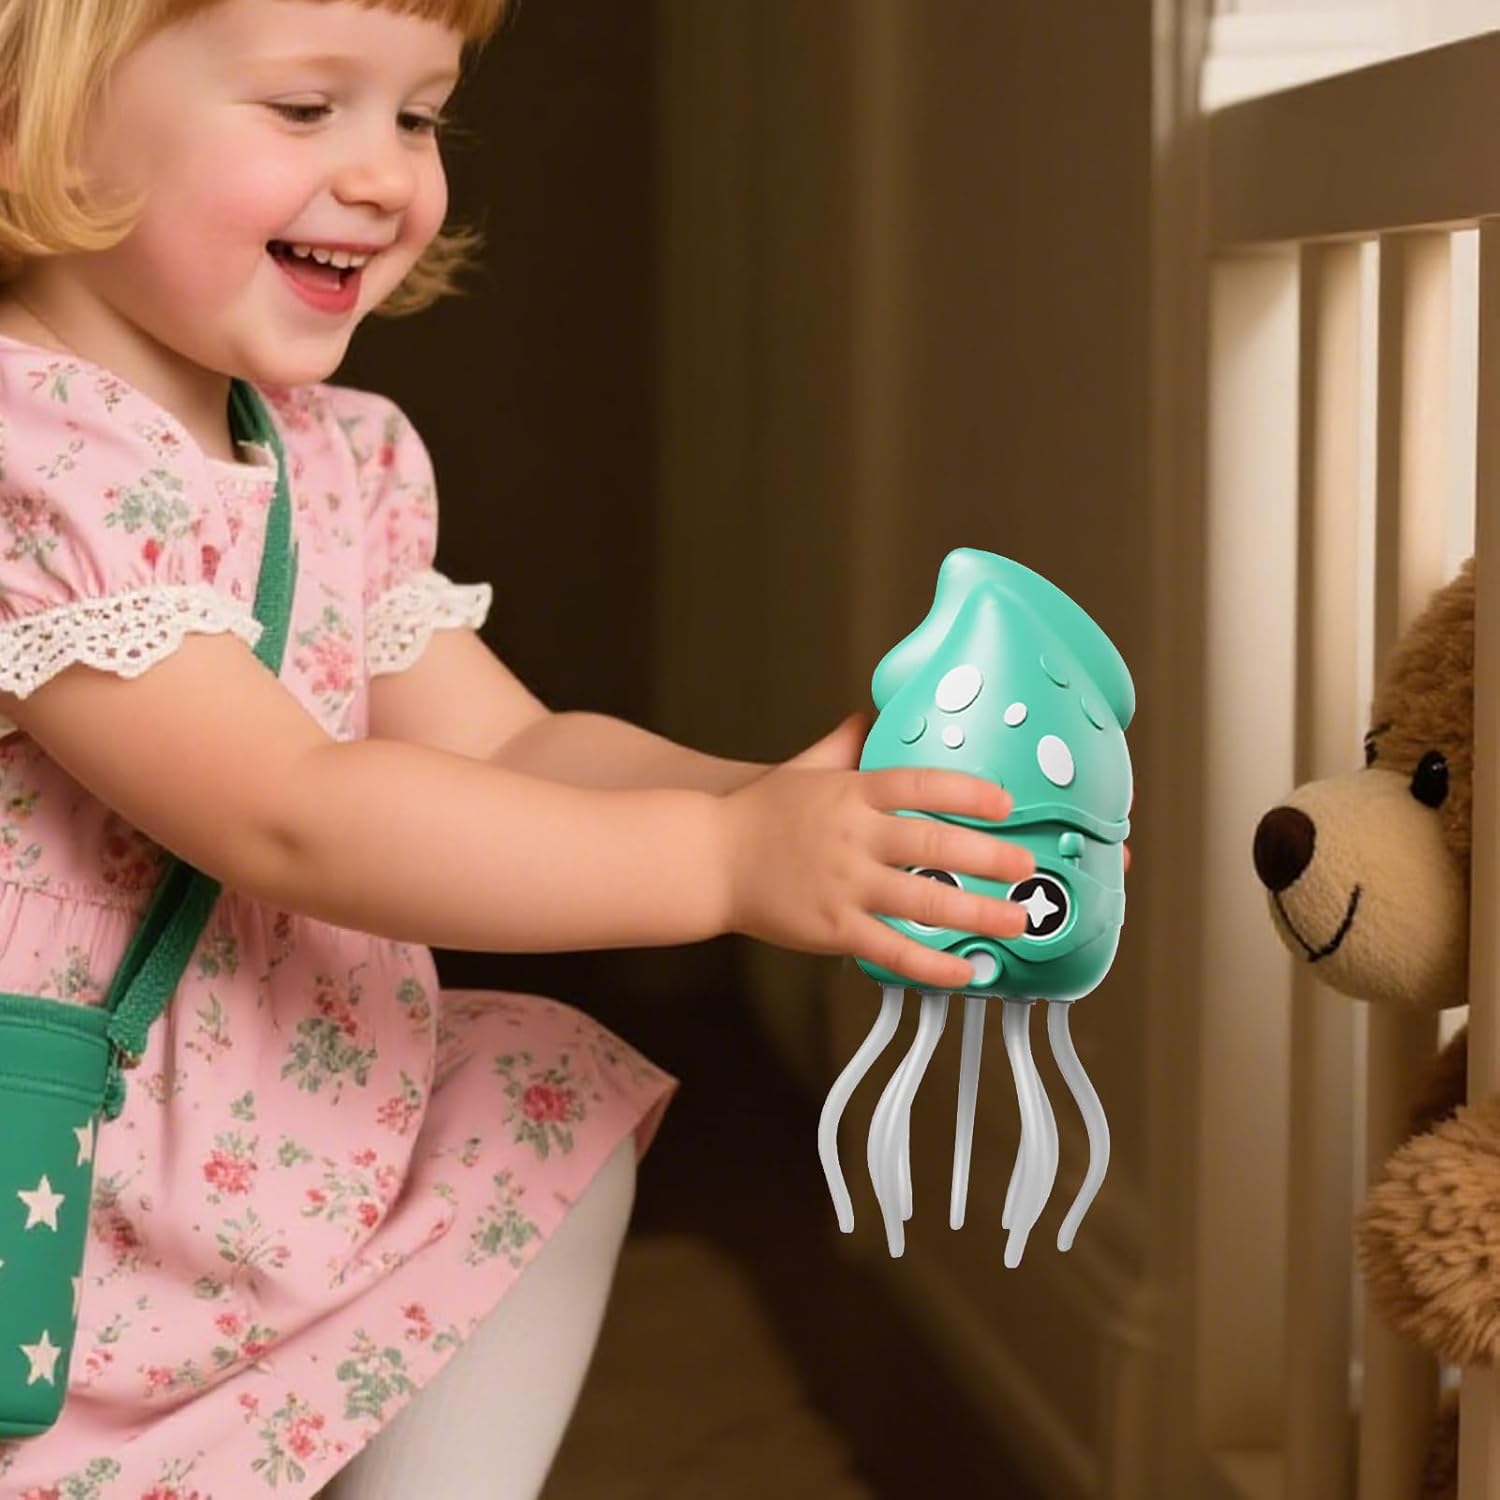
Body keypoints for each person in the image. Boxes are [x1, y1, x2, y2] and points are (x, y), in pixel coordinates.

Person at [0, 1, 1036, 1496]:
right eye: (305, 108)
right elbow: (288, 814)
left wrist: (788, 804)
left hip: (261, 1150)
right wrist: (722, 861)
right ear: (36, 102)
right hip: (58, 1166)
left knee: (538, 1095)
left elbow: (516, 744)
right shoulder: (32, 455)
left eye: (418, 114)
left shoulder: (332, 456)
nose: (383, 175)